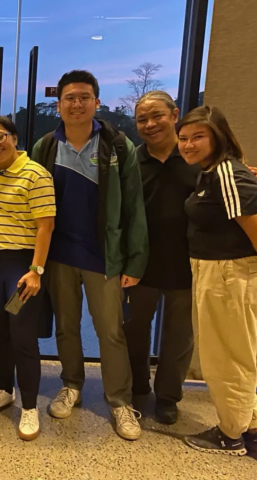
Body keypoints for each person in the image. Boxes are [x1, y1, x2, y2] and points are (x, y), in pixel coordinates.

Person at [32, 70, 148, 441]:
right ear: (59, 104)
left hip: (105, 256)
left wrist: (134, 261)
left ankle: (119, 401)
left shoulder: (117, 145)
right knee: (66, 325)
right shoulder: (45, 147)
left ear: (96, 102)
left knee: (111, 331)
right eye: (69, 98)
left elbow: (133, 207)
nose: (76, 104)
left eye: (84, 97)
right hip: (60, 255)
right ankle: (72, 384)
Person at [176, 106, 257, 456]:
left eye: (198, 137)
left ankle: (230, 435)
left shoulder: (228, 174)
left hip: (228, 273)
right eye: (184, 138)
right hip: (217, 271)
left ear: (218, 136)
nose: (188, 145)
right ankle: (247, 423)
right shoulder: (212, 172)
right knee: (235, 351)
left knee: (226, 356)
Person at [0, 115, 56, 441]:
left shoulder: (36, 175)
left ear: (13, 137)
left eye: (0, 137)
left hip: (21, 266)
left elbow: (45, 227)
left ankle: (30, 407)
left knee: (22, 336)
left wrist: (36, 271)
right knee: (1, 333)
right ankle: (5, 389)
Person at [122, 91, 198, 424]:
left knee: (180, 335)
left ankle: (168, 395)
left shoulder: (198, 160)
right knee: (134, 328)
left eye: (157, 116)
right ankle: (139, 387)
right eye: (142, 119)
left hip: (190, 263)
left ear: (174, 115)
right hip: (142, 265)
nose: (150, 125)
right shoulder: (130, 164)